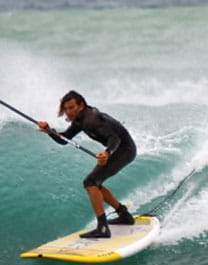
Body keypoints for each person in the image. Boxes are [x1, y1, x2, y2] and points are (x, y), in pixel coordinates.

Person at [38, 91, 137, 239]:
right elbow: (64, 140)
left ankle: (103, 228)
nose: (68, 112)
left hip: (125, 150)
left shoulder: (91, 119)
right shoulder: (80, 119)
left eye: (71, 108)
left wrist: (107, 153)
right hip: (119, 149)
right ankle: (123, 215)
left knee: (91, 182)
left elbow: (114, 138)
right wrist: (50, 131)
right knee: (94, 183)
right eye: (66, 109)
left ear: (81, 106)